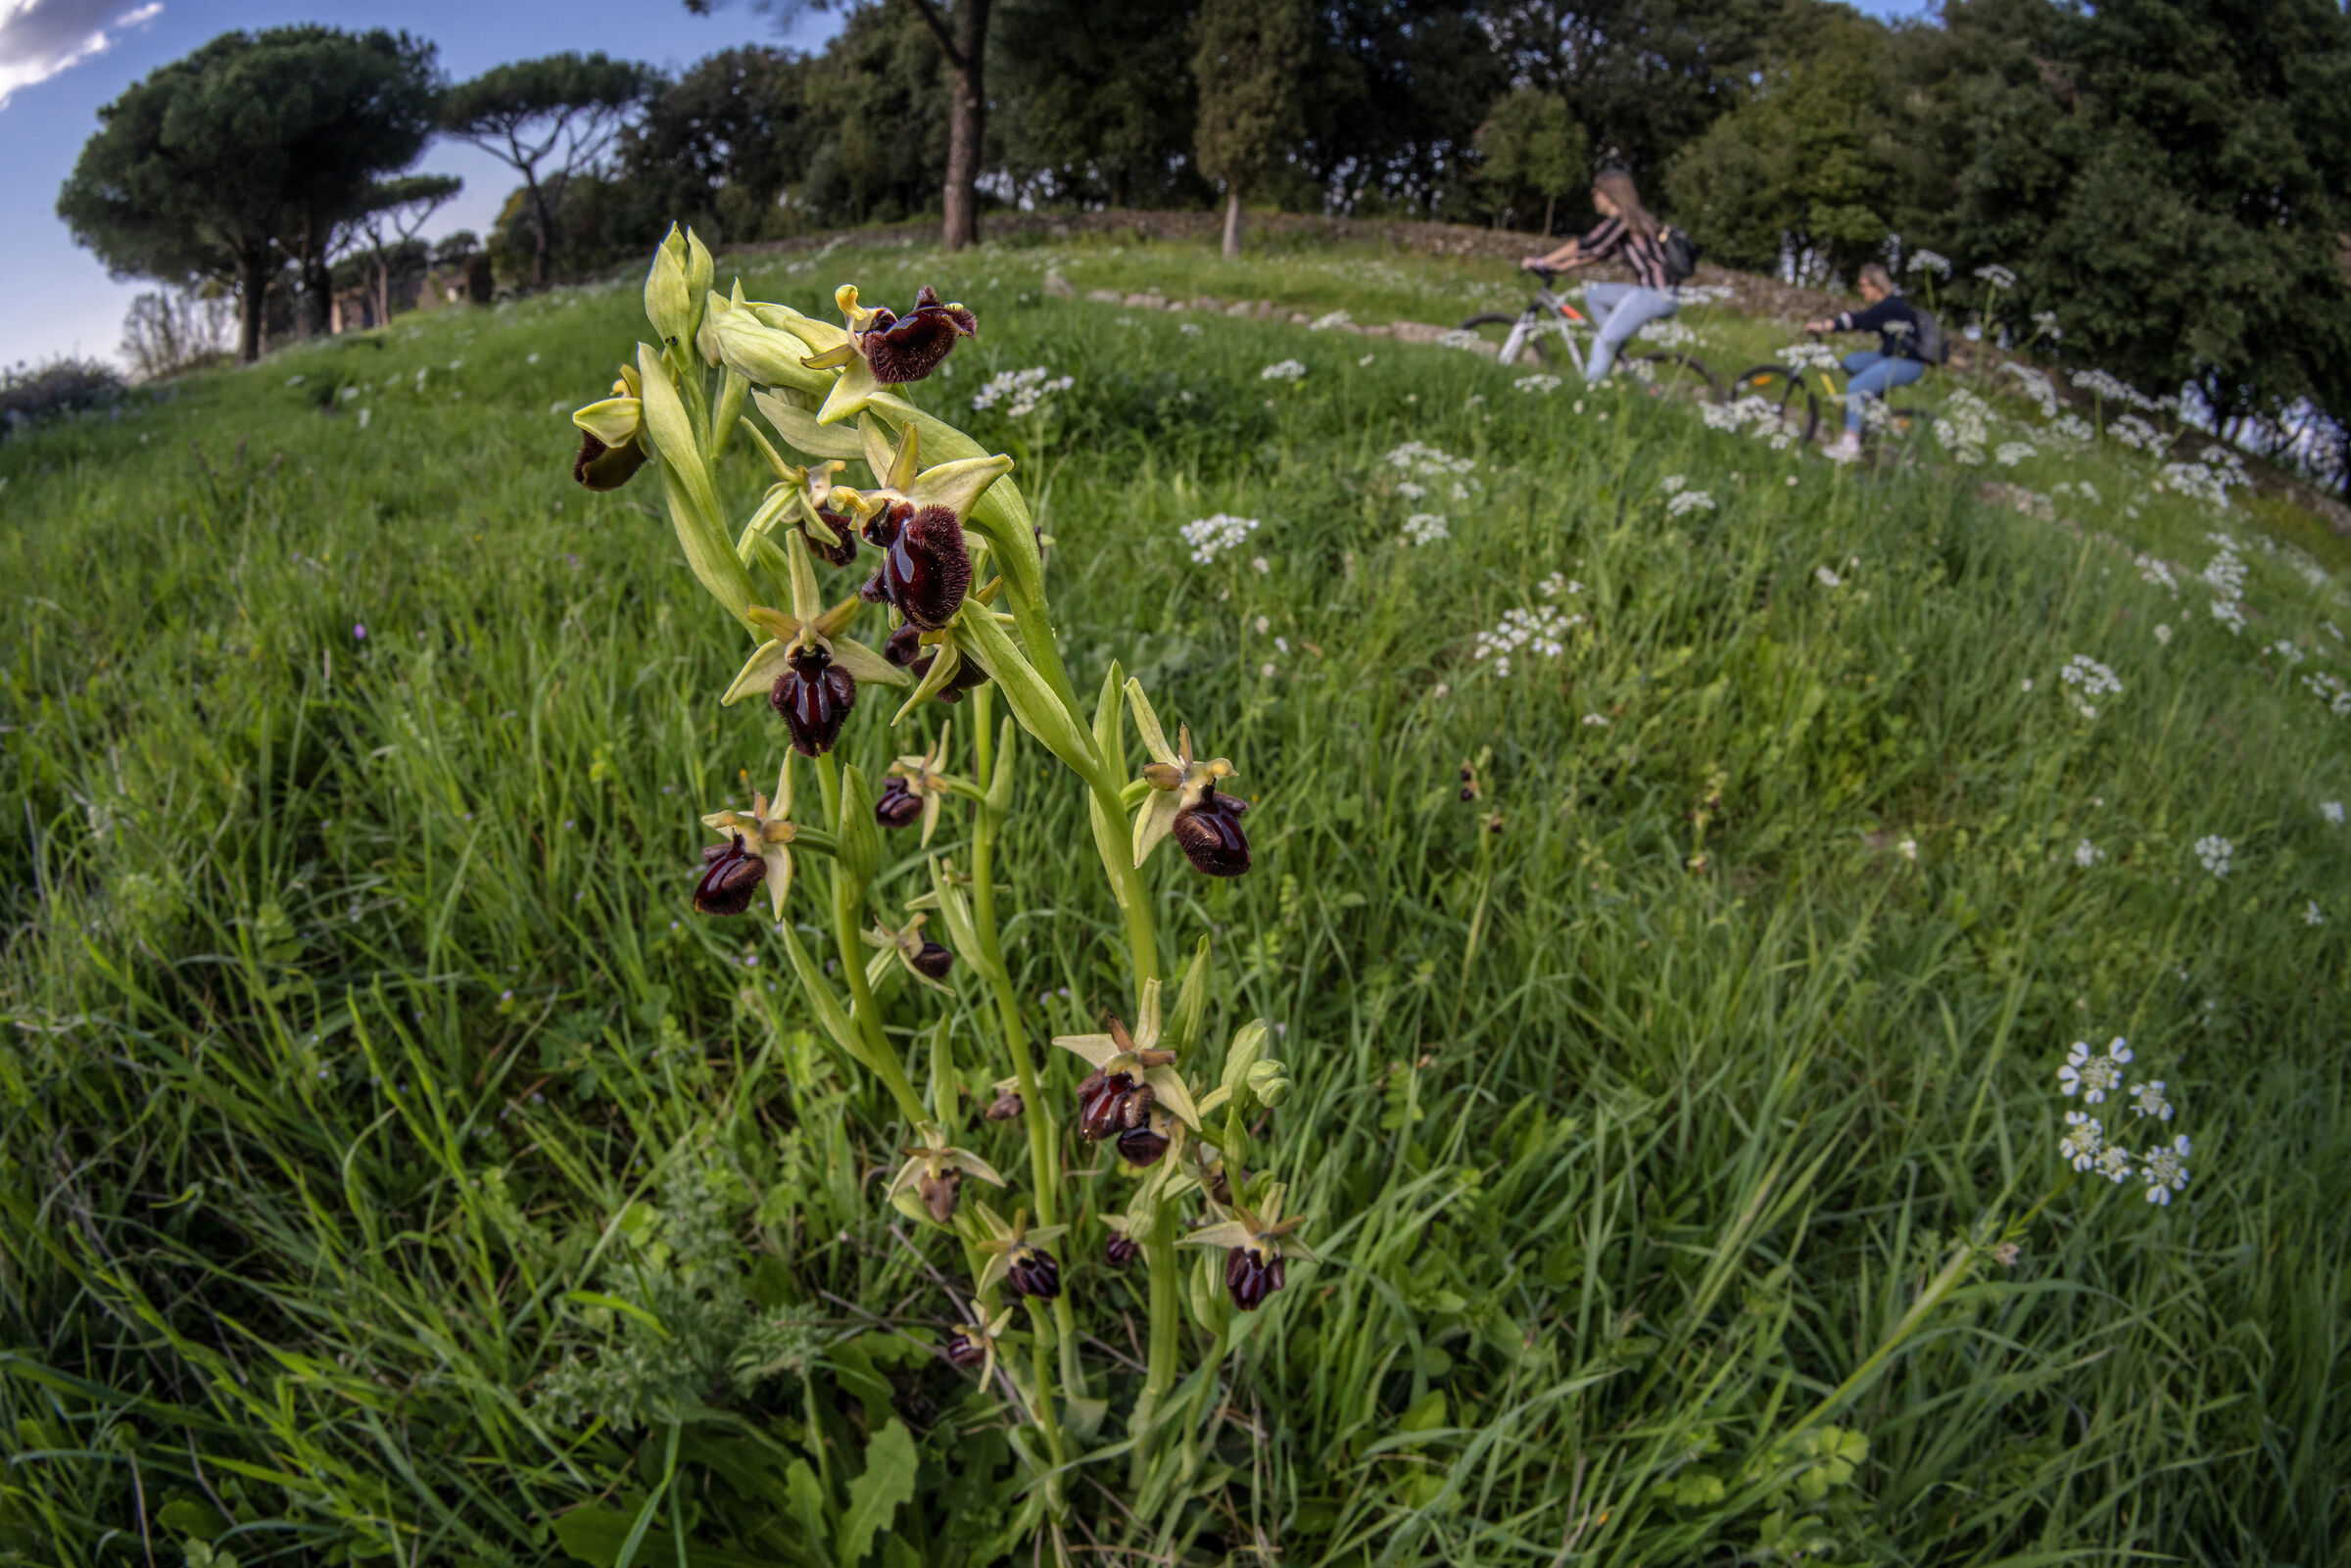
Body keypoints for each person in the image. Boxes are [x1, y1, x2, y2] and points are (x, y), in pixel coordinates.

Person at [1521, 169, 1676, 385]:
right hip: (1655, 293)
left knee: (1603, 343)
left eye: (1595, 192)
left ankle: (1590, 392)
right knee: (1594, 294)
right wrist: (1559, 267)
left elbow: (1584, 244)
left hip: (1652, 294)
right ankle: (1616, 348)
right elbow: (1595, 255)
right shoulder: (1632, 220)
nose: (1593, 197)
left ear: (1609, 193)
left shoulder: (1623, 220)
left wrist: (1540, 261)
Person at [1803, 263, 1930, 461]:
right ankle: (1867, 412)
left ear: (1876, 285)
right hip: (1891, 357)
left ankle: (1850, 443)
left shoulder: (1891, 306)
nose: (1861, 290)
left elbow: (1858, 320)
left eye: (1864, 286)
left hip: (1908, 364)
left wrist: (1823, 326)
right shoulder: (1890, 305)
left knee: (1856, 386)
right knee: (1852, 362)